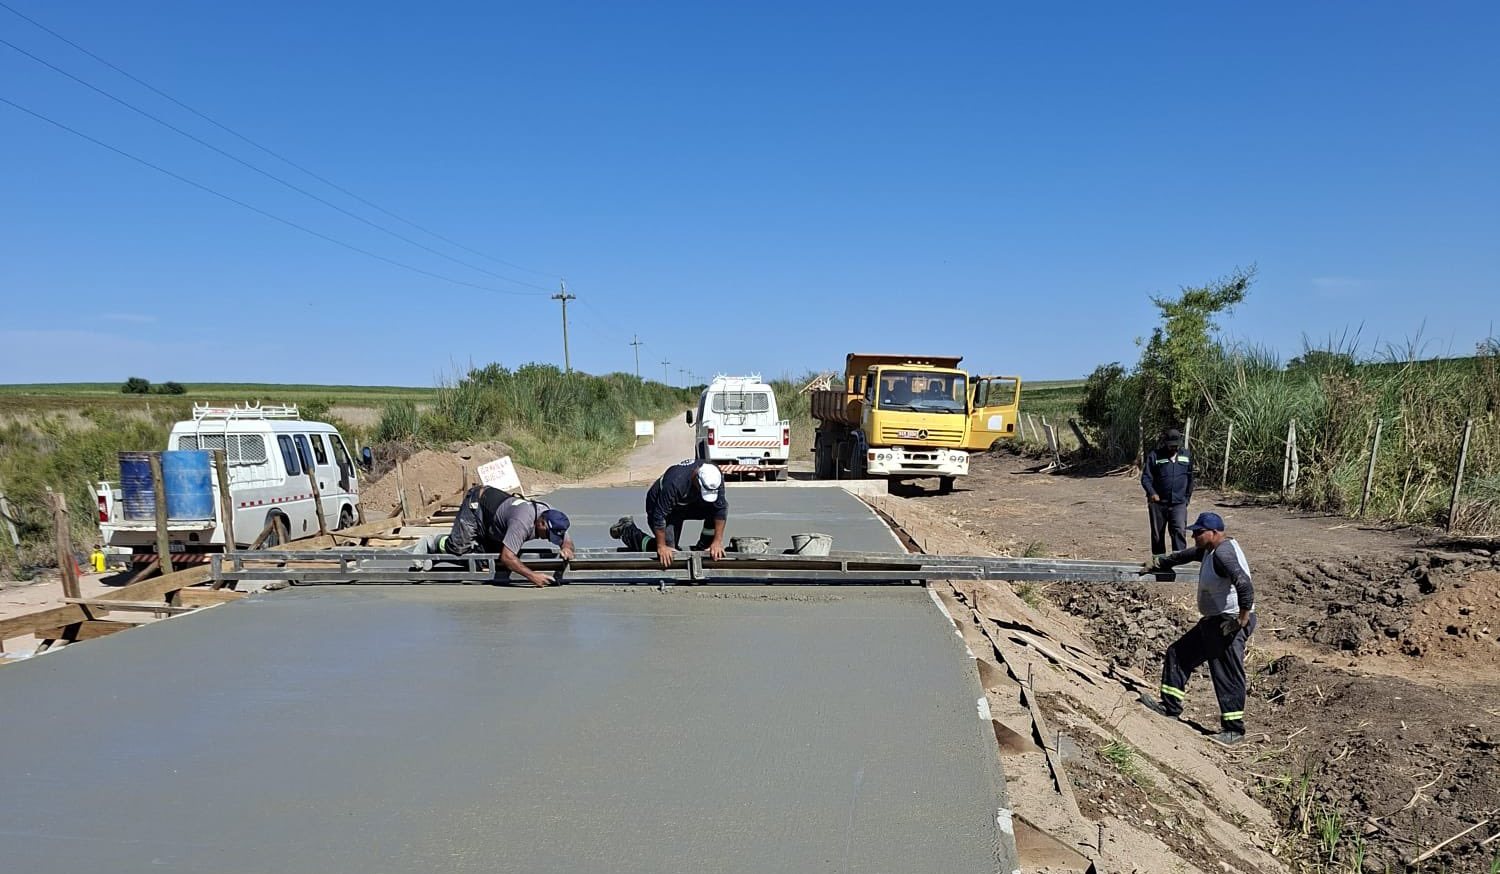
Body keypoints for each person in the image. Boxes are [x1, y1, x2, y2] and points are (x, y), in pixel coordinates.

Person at [1138, 512, 1257, 745]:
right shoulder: (1210, 549)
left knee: (1227, 672)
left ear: (1214, 533)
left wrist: (1240, 621)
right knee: (1179, 654)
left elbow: (1245, 586)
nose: (1193, 536)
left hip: (1228, 622)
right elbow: (1186, 555)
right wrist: (1160, 562)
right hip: (1214, 621)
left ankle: (1233, 730)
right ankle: (1170, 707)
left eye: (1198, 532)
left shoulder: (1223, 554)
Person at [411, 485, 573, 587]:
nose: (547, 539)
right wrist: (532, 576)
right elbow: (507, 557)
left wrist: (566, 547)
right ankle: (433, 543)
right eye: (547, 534)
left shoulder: (552, 515)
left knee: (484, 563)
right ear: (541, 523)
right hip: (477, 505)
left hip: (496, 523)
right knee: (458, 548)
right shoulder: (522, 522)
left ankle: (474, 545)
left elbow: (566, 538)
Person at [609, 460, 727, 568]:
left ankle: (703, 547)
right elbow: (659, 516)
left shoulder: (715, 475)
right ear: (696, 478)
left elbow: (721, 509)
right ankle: (627, 530)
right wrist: (662, 546)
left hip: (690, 502)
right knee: (669, 553)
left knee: (714, 510)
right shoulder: (675, 482)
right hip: (661, 506)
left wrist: (717, 542)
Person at [1141, 427, 1193, 579]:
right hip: (1158, 503)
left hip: (1179, 502)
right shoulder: (1155, 456)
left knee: (1179, 529)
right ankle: (1159, 561)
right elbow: (1146, 478)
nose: (1173, 449)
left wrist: (1187, 498)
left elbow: (1190, 478)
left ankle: (1180, 560)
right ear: (1165, 443)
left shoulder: (1186, 456)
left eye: (1176, 446)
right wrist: (1152, 493)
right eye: (1171, 446)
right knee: (1158, 533)